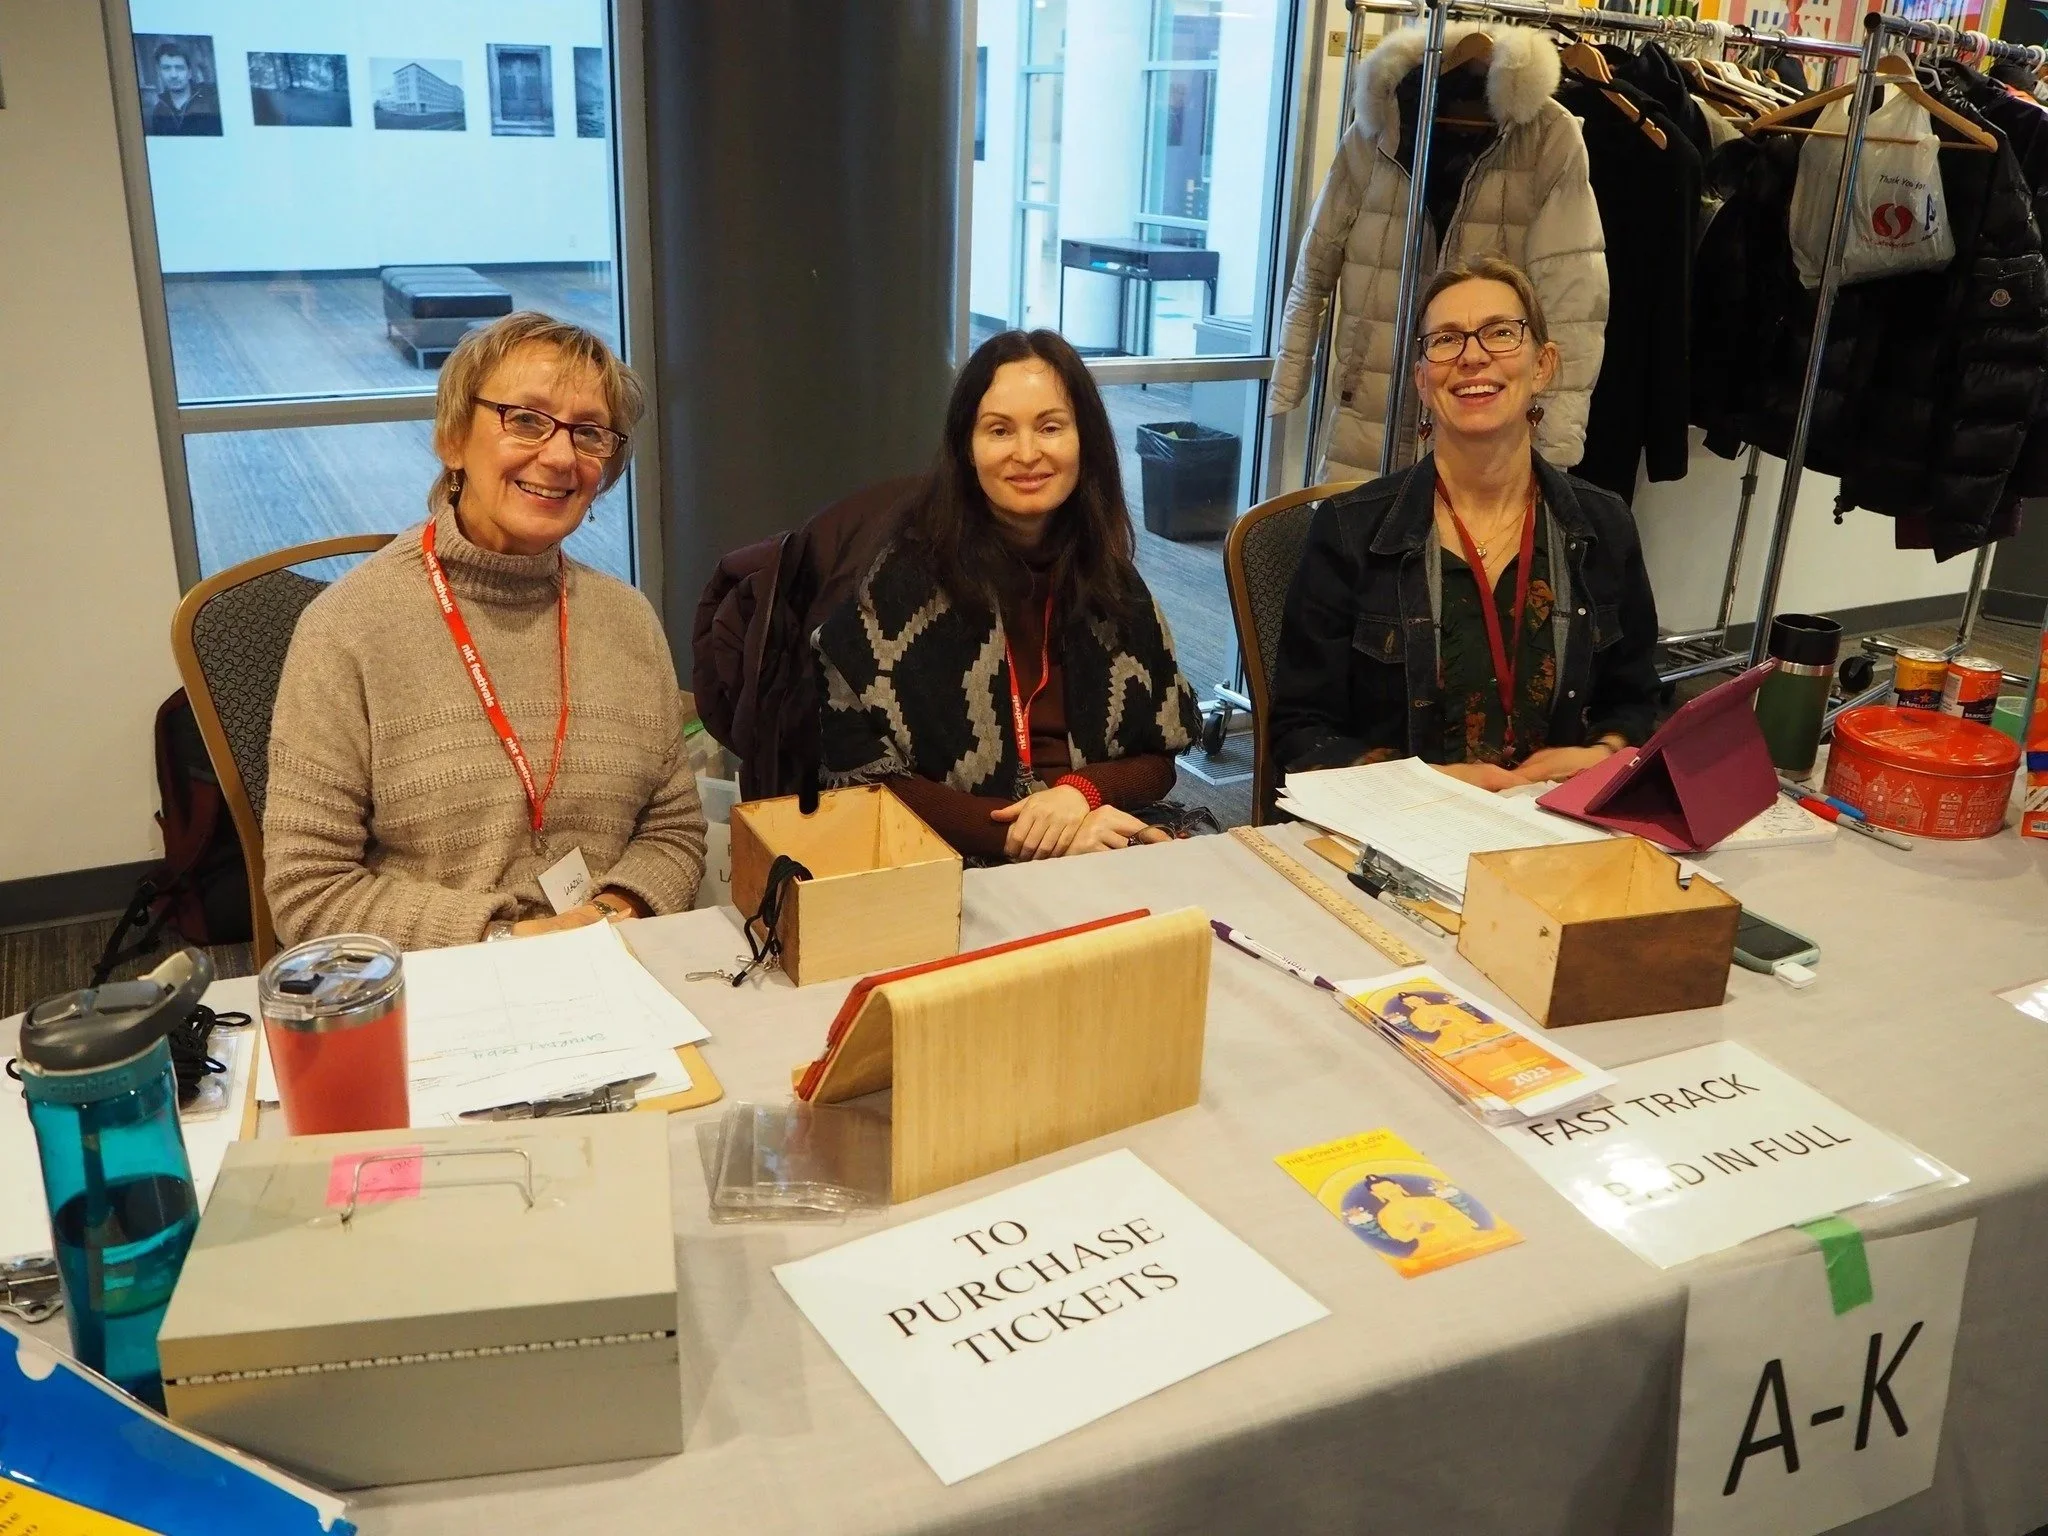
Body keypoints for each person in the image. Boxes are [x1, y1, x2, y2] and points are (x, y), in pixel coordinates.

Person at [264, 312, 706, 950]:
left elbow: (673, 832)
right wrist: (512, 940)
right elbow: (310, 890)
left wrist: (609, 914)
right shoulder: (348, 629)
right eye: (525, 420)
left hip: (609, 961)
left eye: (589, 433)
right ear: (452, 438)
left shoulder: (627, 620)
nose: (560, 456)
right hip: (441, 983)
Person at [1268, 257, 1661, 791]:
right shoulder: (1349, 532)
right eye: (1447, 340)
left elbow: (1636, 700)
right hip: (1402, 824)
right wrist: (1427, 782)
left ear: (1543, 365)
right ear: (1422, 379)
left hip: (1555, 816)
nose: (1473, 356)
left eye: (1501, 333)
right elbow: (1299, 733)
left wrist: (1603, 754)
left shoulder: (1604, 526)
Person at [814, 329, 1201, 861]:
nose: (1027, 453)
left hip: (1097, 830)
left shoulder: (1113, 583)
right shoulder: (902, 584)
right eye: (999, 430)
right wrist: (1036, 842)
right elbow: (863, 780)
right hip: (953, 858)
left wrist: (1080, 794)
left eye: (1050, 427)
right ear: (966, 449)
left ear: (1084, 440)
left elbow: (1160, 757)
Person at [146, 42, 222, 136]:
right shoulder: (159, 110)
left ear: (189, 72)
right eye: (166, 68)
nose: (173, 75)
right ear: (159, 72)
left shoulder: (211, 100)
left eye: (179, 68)